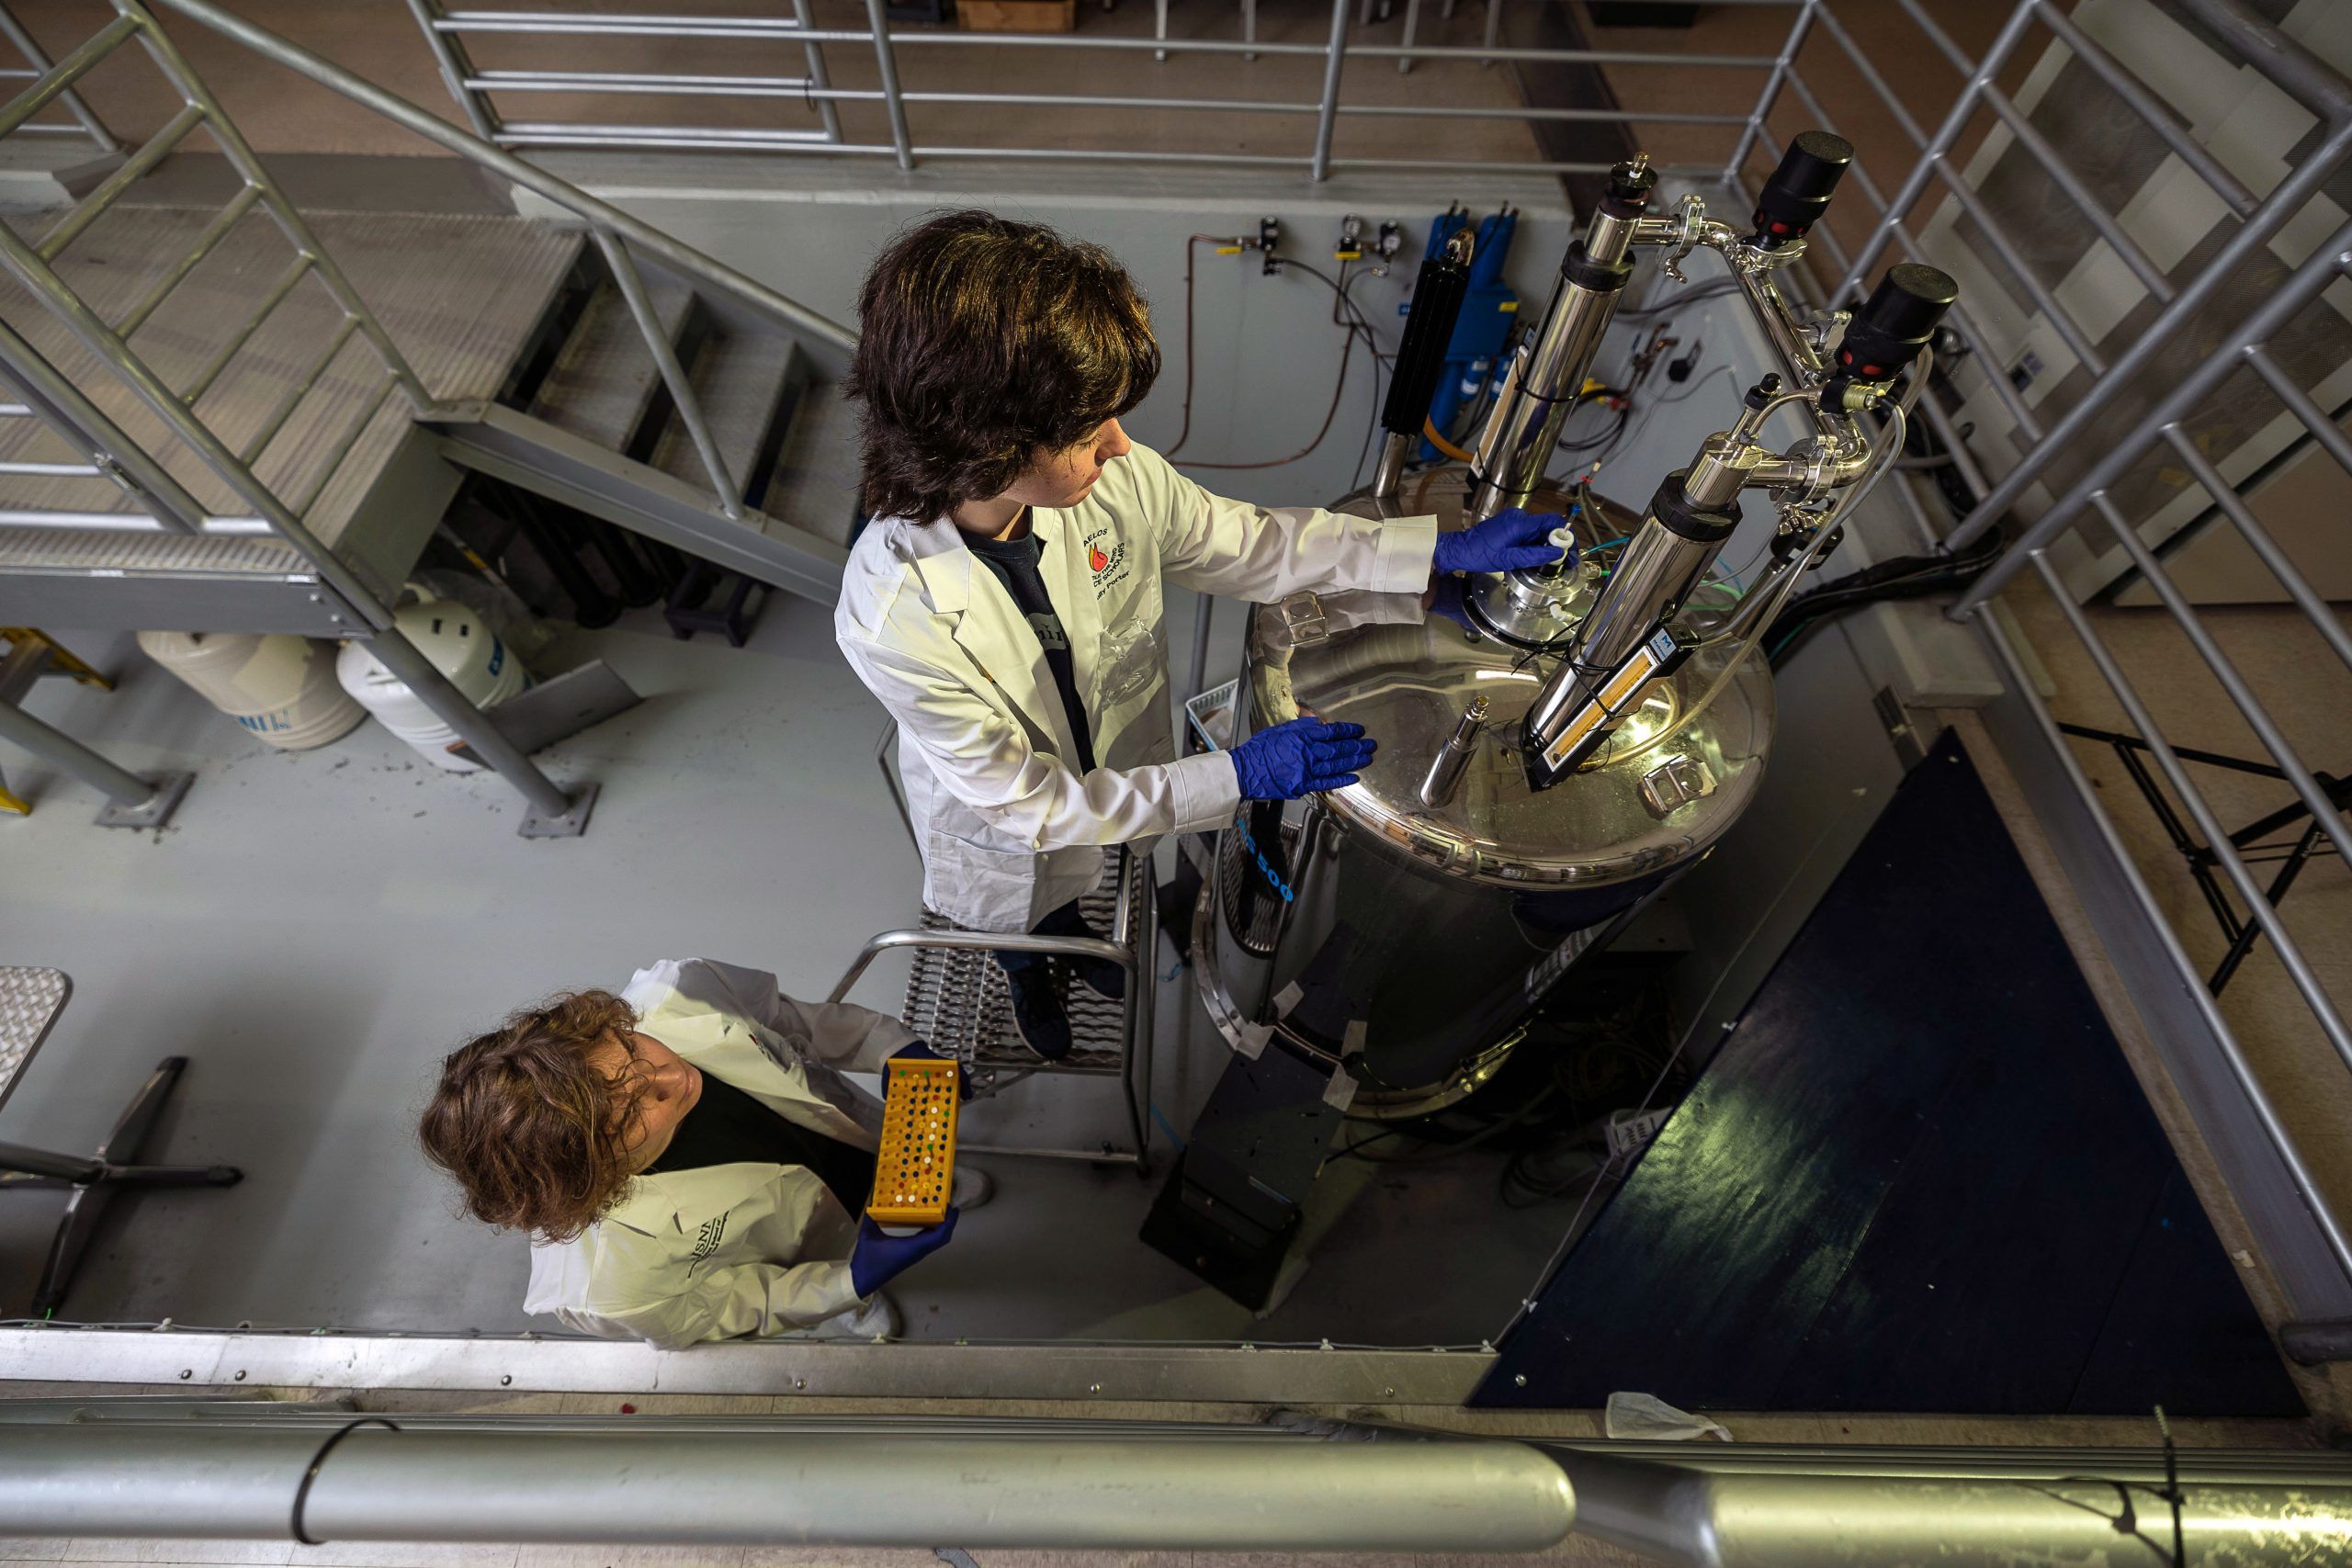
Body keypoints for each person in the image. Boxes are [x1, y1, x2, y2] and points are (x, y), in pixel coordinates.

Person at [835, 209, 1563, 1059]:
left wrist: (1431, 550)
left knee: (1088, 884)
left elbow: (1252, 545)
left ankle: (1069, 939)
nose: (1120, 442)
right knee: (1024, 907)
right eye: (1085, 430)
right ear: (983, 442)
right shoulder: (892, 617)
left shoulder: (1110, 481)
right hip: (1009, 828)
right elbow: (1040, 808)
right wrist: (1238, 773)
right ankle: (1030, 975)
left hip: (1112, 761)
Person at [419, 957, 986, 1349]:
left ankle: (926, 1177)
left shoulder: (679, 993)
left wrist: (886, 1045)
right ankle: (856, 1309)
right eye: (629, 1113)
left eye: (630, 1049)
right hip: (813, 1247)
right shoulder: (610, 1286)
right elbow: (722, 1309)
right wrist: (849, 1282)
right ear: (596, 1176)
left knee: (904, 1169)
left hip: (844, 1132)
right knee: (833, 1276)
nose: (668, 1076)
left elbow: (798, 1021)